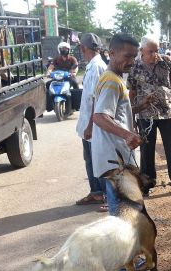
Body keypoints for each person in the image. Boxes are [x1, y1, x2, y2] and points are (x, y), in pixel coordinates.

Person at [90, 33, 141, 216]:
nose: (132, 61)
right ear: (111, 53)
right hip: (115, 158)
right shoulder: (111, 80)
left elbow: (112, 113)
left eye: (134, 56)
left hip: (115, 155)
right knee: (121, 211)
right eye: (127, 56)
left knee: (122, 208)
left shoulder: (114, 78)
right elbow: (99, 116)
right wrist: (128, 135)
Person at [128, 36, 171, 195]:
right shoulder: (134, 66)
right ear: (141, 51)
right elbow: (132, 93)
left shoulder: (167, 61)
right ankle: (147, 184)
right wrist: (132, 117)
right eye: (150, 51)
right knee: (147, 151)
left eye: (157, 50)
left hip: (168, 113)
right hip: (145, 115)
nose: (154, 54)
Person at [74, 33, 107, 208]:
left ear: (83, 48)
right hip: (90, 122)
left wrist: (90, 125)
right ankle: (96, 193)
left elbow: (96, 99)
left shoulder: (96, 67)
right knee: (90, 159)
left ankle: (107, 196)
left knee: (98, 160)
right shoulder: (93, 65)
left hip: (93, 124)